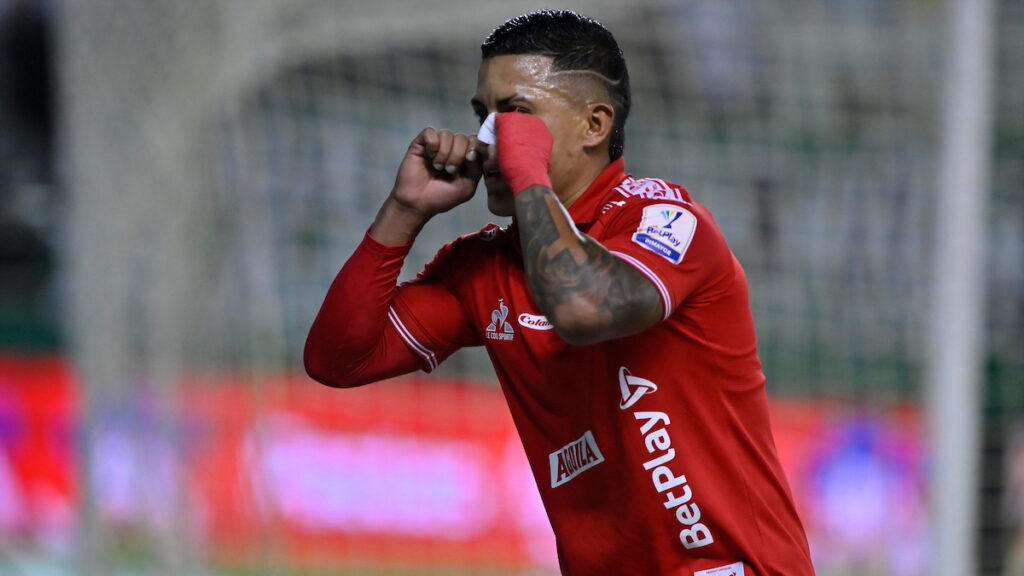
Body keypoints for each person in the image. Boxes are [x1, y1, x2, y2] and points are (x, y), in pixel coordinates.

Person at [304, 9, 814, 576]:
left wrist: (528, 174)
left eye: (515, 113)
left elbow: (581, 306)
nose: (487, 138)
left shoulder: (665, 223)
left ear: (595, 125)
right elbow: (338, 360)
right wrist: (404, 211)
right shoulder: (485, 267)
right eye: (482, 116)